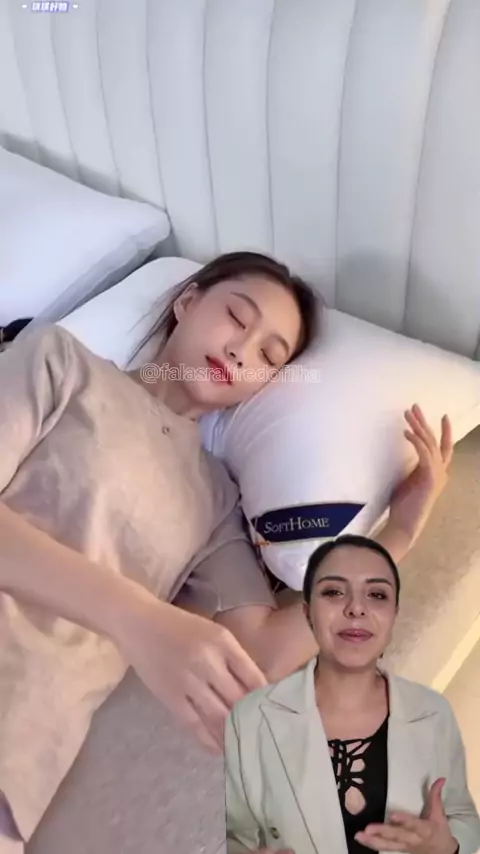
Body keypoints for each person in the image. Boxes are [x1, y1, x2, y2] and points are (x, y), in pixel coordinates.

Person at [0, 250, 452, 851]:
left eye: (269, 356)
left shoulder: (215, 498)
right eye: (237, 317)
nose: (242, 351)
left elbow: (261, 653)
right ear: (187, 302)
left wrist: (398, 535)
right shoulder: (59, 360)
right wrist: (137, 619)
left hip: (18, 755)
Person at [224, 535, 480, 854]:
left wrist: (447, 845)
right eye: (334, 592)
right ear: (307, 613)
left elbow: (463, 819)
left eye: (376, 595)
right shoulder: (253, 717)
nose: (357, 608)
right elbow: (230, 831)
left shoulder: (433, 713)